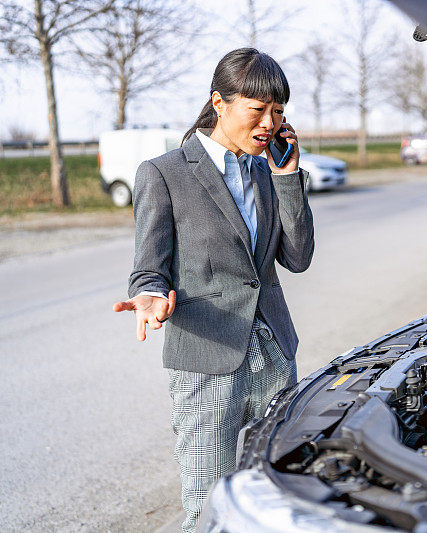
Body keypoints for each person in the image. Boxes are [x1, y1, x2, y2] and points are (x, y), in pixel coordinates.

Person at [112, 48, 314, 533]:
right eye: (258, 109)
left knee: (277, 488)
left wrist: (288, 178)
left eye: (279, 111)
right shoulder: (163, 174)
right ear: (219, 103)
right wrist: (149, 296)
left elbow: (298, 258)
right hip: (206, 360)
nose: (270, 122)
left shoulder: (269, 172)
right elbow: (148, 268)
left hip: (274, 354)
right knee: (209, 507)